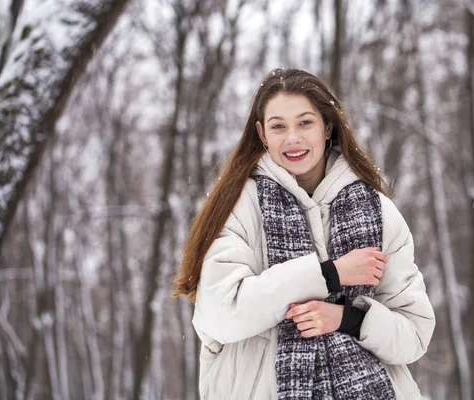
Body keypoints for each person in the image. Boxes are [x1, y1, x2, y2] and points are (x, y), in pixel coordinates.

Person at [172, 68, 435, 400]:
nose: (292, 138)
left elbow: (414, 335)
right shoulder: (238, 206)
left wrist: (348, 319)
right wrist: (329, 275)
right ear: (262, 134)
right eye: (278, 126)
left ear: (327, 127)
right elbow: (220, 315)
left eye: (305, 123)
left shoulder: (379, 211)